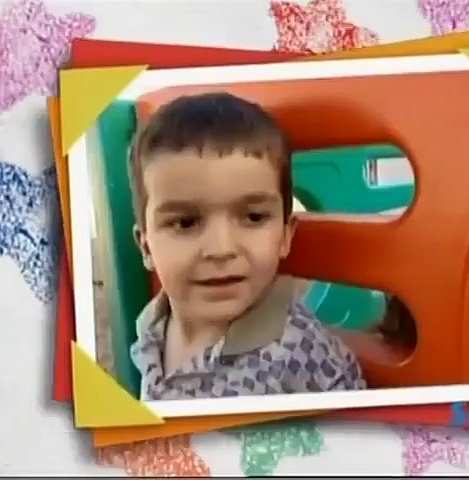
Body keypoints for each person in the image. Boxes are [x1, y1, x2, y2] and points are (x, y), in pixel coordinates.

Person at [128, 92, 367, 401]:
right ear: (146, 247)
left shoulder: (300, 353)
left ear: (285, 235)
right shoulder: (152, 323)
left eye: (253, 217)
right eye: (185, 222)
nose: (221, 249)